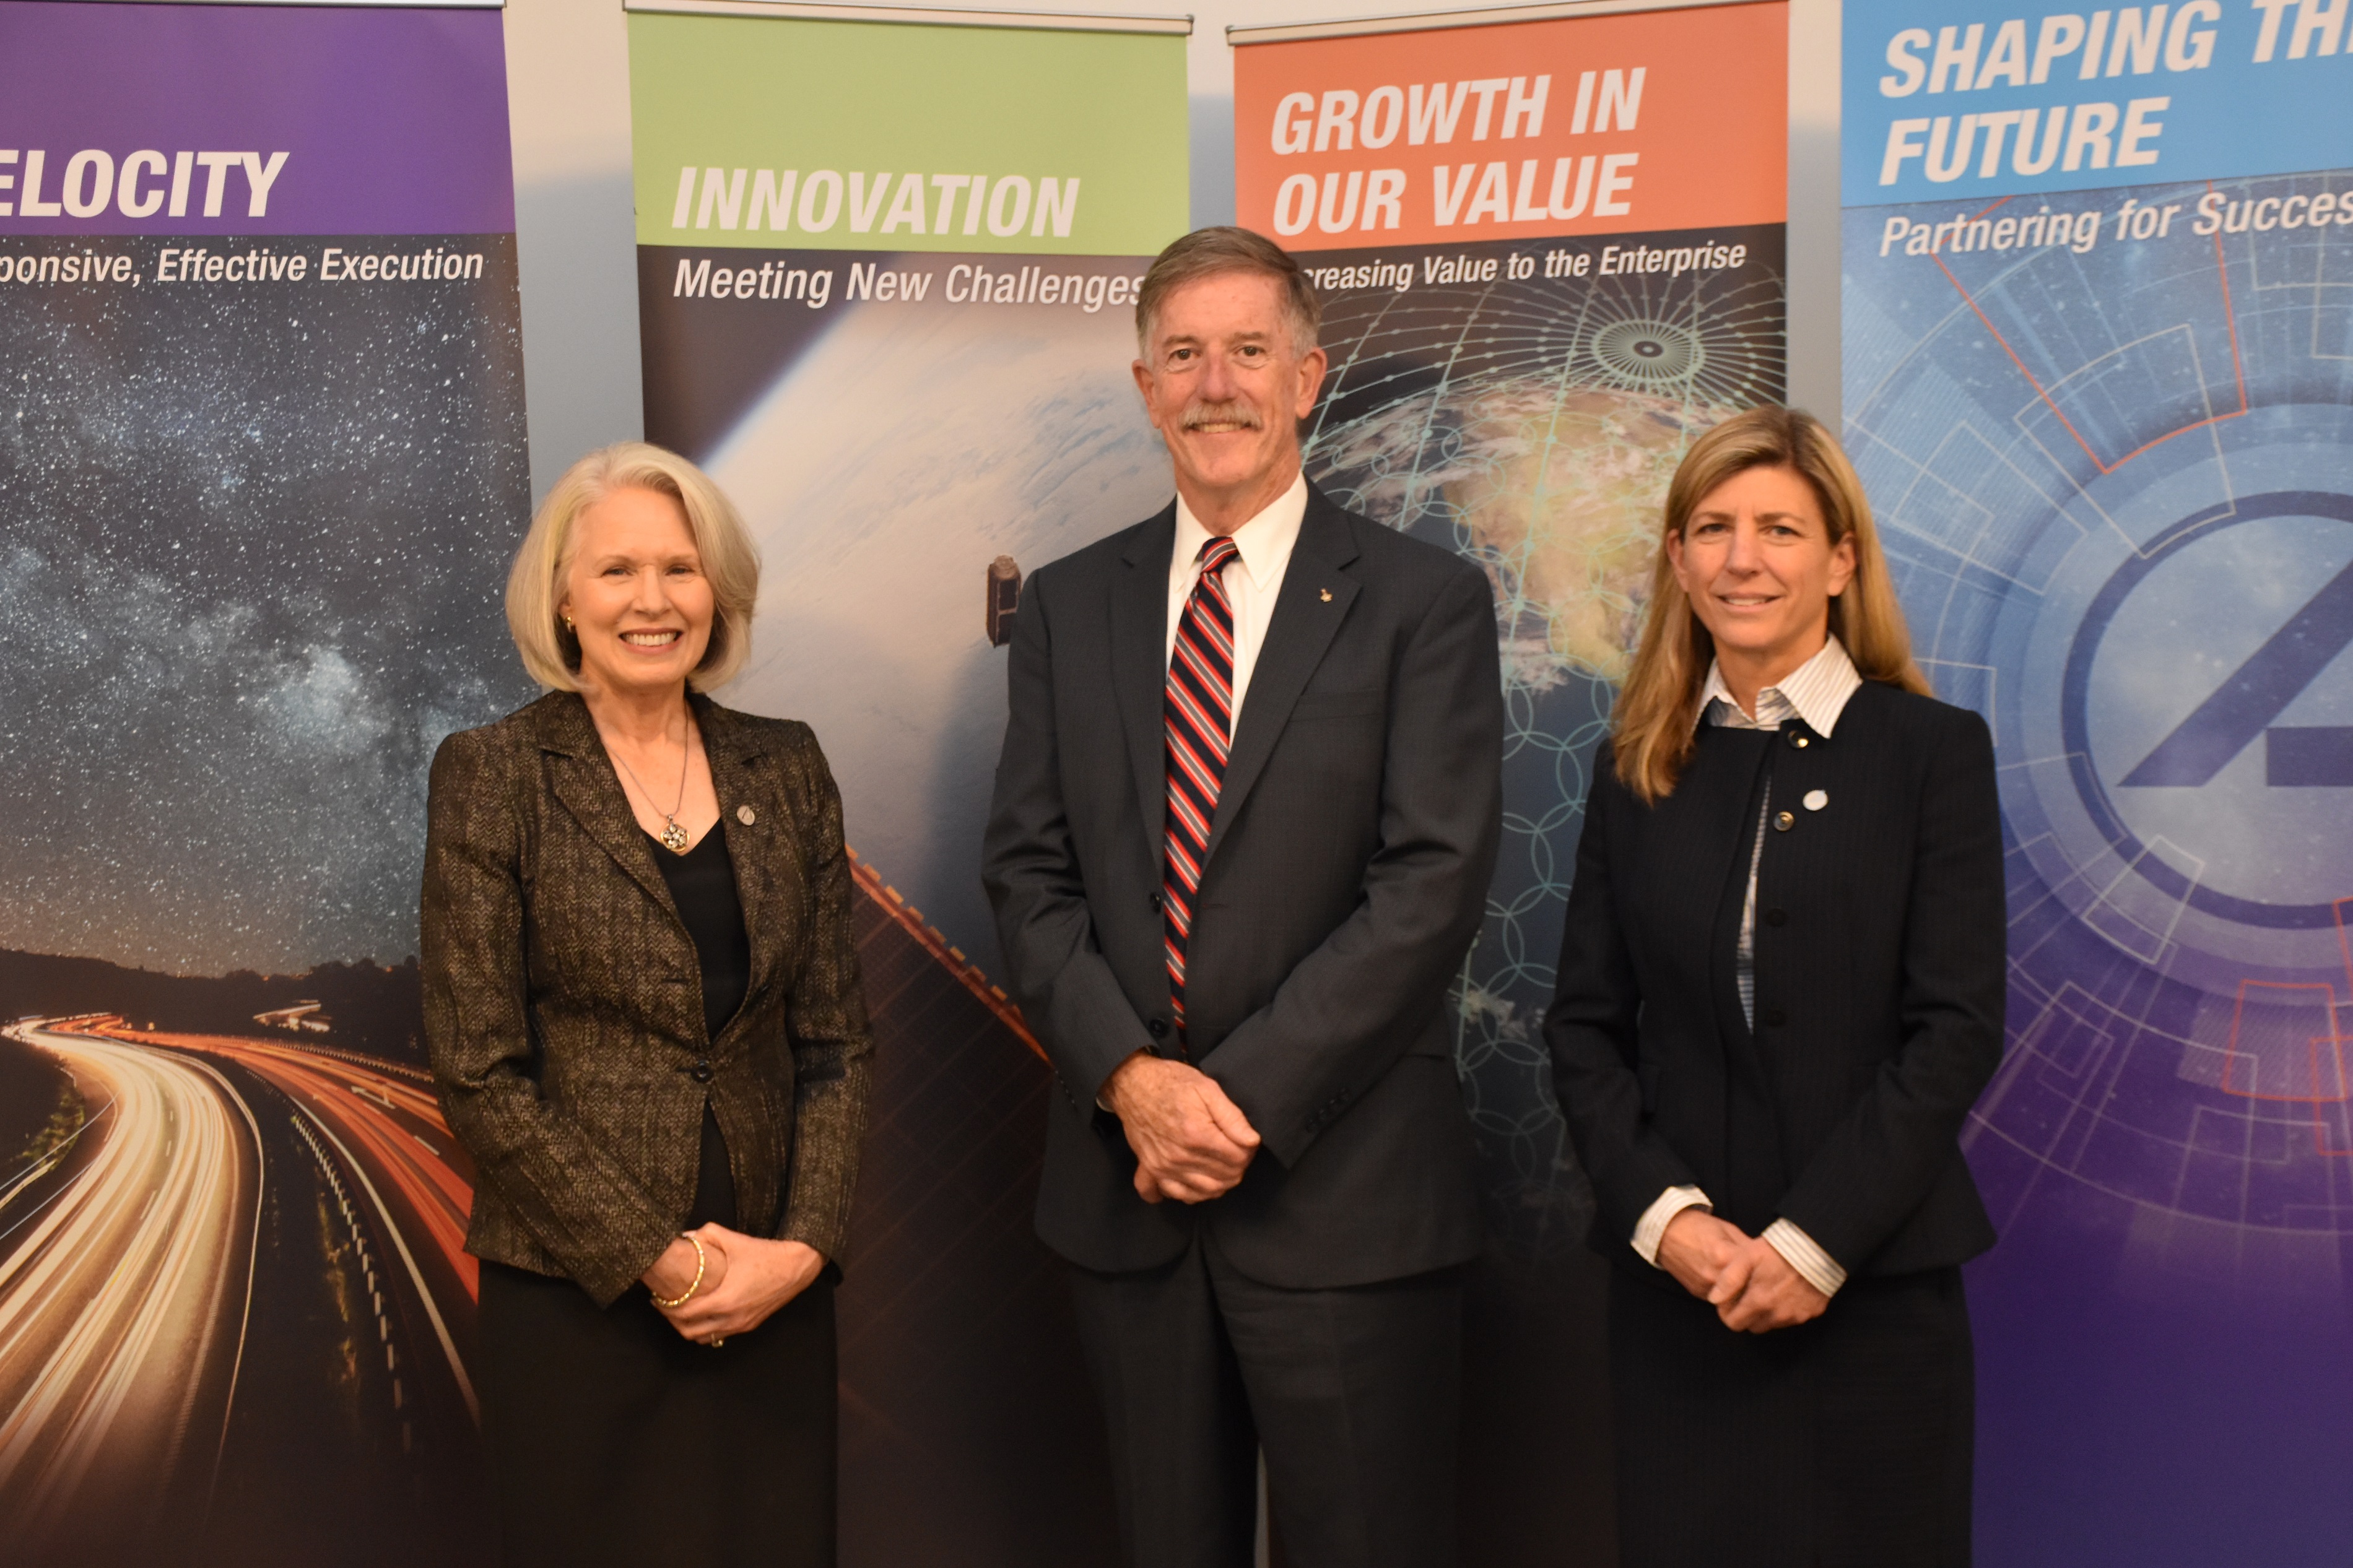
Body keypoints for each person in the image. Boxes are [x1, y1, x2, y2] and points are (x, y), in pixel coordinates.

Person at [981, 226, 1504, 1568]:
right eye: (1184, 354)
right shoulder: (1067, 607)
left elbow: (1430, 880)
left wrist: (1238, 1100)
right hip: (1130, 1195)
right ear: (1146, 386)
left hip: (1348, 1196)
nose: (1216, 384)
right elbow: (1028, 872)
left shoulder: (1425, 602)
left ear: (1307, 377)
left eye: (1250, 351)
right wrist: (1134, 1086)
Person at [1544, 407, 2003, 1566]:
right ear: (1677, 555)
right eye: (1712, 528)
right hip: (1681, 1305)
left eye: (1780, 530)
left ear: (1841, 560)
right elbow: (1585, 1030)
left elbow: (1953, 1031)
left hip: (1874, 1293)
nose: (1741, 559)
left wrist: (1812, 1244)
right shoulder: (1634, 767)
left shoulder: (1933, 752)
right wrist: (1670, 1223)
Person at [421, 442, 869, 1567]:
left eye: (681, 567)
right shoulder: (494, 773)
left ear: (717, 591)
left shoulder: (787, 766)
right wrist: (662, 1260)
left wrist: (800, 1250)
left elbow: (835, 1044)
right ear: (563, 599)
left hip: (770, 1296)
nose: (653, 600)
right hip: (580, 1303)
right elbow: (478, 1070)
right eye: (617, 570)